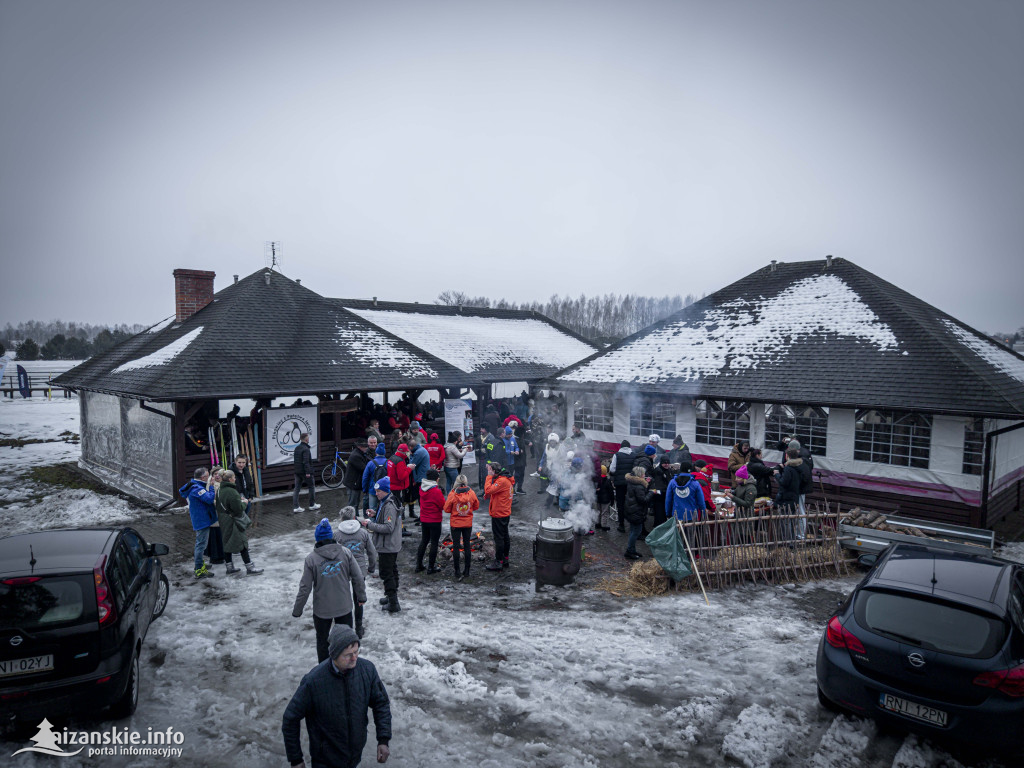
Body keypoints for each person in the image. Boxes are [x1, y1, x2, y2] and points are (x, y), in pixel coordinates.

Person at [282, 625, 392, 768]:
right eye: (347, 655)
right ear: (334, 655)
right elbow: (290, 719)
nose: (354, 658)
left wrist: (383, 739)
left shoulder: (367, 670)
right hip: (325, 760)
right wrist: (296, 759)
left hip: (354, 756)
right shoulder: (314, 681)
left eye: (356, 651)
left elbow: (381, 703)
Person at [293, 518, 366, 662]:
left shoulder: (311, 559)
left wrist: (297, 609)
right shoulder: (345, 553)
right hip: (344, 607)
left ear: (317, 539)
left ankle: (324, 669)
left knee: (322, 641)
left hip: (322, 610)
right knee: (346, 641)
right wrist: (361, 597)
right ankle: (347, 667)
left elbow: (304, 587)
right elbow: (358, 577)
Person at [336, 506, 377, 639]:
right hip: (360, 570)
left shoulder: (336, 534)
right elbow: (372, 552)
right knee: (359, 598)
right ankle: (359, 628)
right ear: (354, 517)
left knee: (344, 598)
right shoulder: (363, 533)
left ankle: (346, 628)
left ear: (342, 518)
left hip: (342, 571)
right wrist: (371, 567)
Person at [363, 477, 403, 613]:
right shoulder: (386, 501)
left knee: (387, 573)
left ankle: (393, 602)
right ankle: (391, 596)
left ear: (385, 490)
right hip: (391, 544)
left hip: (388, 546)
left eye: (378, 491)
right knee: (392, 569)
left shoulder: (389, 505)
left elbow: (388, 528)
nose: (376, 493)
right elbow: (386, 519)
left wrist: (370, 524)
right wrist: (375, 514)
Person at [216, 469, 263, 576]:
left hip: (224, 519)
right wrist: (244, 503)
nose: (235, 479)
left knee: (227, 542)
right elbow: (238, 509)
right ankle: (249, 567)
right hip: (233, 520)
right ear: (230, 479)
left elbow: (219, 506)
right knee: (242, 543)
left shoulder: (219, 490)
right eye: (234, 477)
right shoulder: (232, 491)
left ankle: (229, 567)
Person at [179, 467, 218, 579]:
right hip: (202, 520)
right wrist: (211, 487)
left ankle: (200, 564)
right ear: (203, 477)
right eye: (207, 475)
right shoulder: (197, 489)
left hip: (202, 518)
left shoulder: (194, 485)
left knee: (201, 544)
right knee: (201, 545)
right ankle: (199, 569)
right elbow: (209, 499)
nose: (209, 477)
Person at [444, 474, 479, 580]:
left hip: (455, 524)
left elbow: (446, 509)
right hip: (467, 524)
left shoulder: (453, 494)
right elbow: (476, 506)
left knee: (456, 546)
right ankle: (467, 571)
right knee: (467, 545)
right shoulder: (471, 493)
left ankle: (457, 571)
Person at [484, 463, 514, 571]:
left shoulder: (502, 481)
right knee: (505, 536)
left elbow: (488, 490)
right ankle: (505, 559)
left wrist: (488, 476)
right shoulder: (505, 479)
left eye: (490, 470)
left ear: (493, 470)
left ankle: (498, 562)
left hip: (499, 513)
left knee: (499, 538)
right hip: (505, 512)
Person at [414, 469, 445, 573]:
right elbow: (443, 505)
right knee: (434, 543)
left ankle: (419, 565)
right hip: (435, 520)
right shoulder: (436, 491)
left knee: (424, 541)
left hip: (424, 519)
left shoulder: (422, 488)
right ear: (436, 479)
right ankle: (431, 567)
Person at [623, 466, 654, 560]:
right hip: (636, 511)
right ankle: (629, 551)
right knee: (636, 532)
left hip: (631, 510)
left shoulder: (632, 482)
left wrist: (646, 483)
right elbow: (643, 500)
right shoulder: (639, 486)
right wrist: (651, 492)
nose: (645, 475)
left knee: (633, 530)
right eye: (644, 474)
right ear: (640, 475)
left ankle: (632, 549)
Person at [609, 440, 636, 533]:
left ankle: (621, 525)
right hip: (631, 483)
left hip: (620, 484)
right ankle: (632, 523)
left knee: (620, 504)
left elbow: (612, 469)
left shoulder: (617, 455)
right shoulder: (634, 455)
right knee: (631, 503)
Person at [292, 433, 321, 514]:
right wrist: (308, 472)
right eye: (308, 438)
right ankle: (312, 505)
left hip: (297, 472)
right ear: (306, 439)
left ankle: (296, 507)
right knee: (311, 487)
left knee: (296, 489)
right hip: (305, 472)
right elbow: (306, 461)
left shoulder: (297, 448)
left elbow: (296, 461)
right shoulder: (306, 449)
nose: (308, 439)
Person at [407, 439, 430, 519]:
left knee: (421, 499)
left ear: (411, 447)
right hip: (422, 477)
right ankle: (422, 516)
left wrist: (410, 455)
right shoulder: (421, 450)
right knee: (421, 499)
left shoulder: (418, 453)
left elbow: (411, 464)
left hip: (421, 479)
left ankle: (423, 517)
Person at [362, 445, 389, 512]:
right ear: (384, 453)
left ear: (376, 453)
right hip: (385, 490)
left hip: (373, 489)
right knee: (386, 510)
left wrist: (365, 490)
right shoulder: (389, 462)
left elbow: (365, 478)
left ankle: (372, 522)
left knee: (372, 510)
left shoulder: (371, 463)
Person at [345, 440, 371, 511]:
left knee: (355, 502)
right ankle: (351, 519)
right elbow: (364, 468)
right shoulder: (356, 456)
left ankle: (354, 517)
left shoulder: (360, 453)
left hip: (354, 482)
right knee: (353, 503)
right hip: (353, 483)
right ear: (360, 447)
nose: (366, 448)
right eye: (365, 447)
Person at [649, 455, 674, 528]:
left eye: (668, 463)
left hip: (665, 495)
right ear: (661, 463)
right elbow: (659, 485)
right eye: (665, 463)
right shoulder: (658, 471)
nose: (666, 464)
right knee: (659, 514)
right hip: (660, 496)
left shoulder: (669, 470)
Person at [501, 425, 522, 493]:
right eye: (508, 434)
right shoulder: (502, 440)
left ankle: (512, 491)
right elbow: (503, 451)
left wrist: (517, 450)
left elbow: (516, 446)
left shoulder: (513, 439)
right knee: (506, 478)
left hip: (512, 462)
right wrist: (510, 452)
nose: (510, 436)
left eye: (511, 434)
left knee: (511, 477)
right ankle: (506, 491)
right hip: (505, 463)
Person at [594, 464, 614, 531]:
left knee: (598, 511)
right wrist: (612, 500)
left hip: (598, 499)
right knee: (604, 513)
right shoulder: (607, 480)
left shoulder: (596, 479)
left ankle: (598, 523)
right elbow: (611, 491)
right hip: (605, 500)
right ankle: (603, 525)